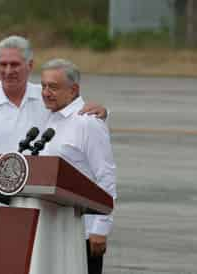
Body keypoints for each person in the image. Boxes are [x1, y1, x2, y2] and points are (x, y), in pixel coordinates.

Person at [0, 36, 108, 274]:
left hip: (42, 216)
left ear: (30, 66)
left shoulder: (46, 97)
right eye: (2, 64)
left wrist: (102, 111)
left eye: (15, 64)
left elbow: (78, 120)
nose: (8, 71)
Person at [39, 58, 116, 274]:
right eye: (43, 86)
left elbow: (106, 176)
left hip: (82, 232)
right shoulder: (49, 117)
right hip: (51, 230)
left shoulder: (87, 122)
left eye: (52, 87)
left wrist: (101, 227)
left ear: (73, 90)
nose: (45, 92)